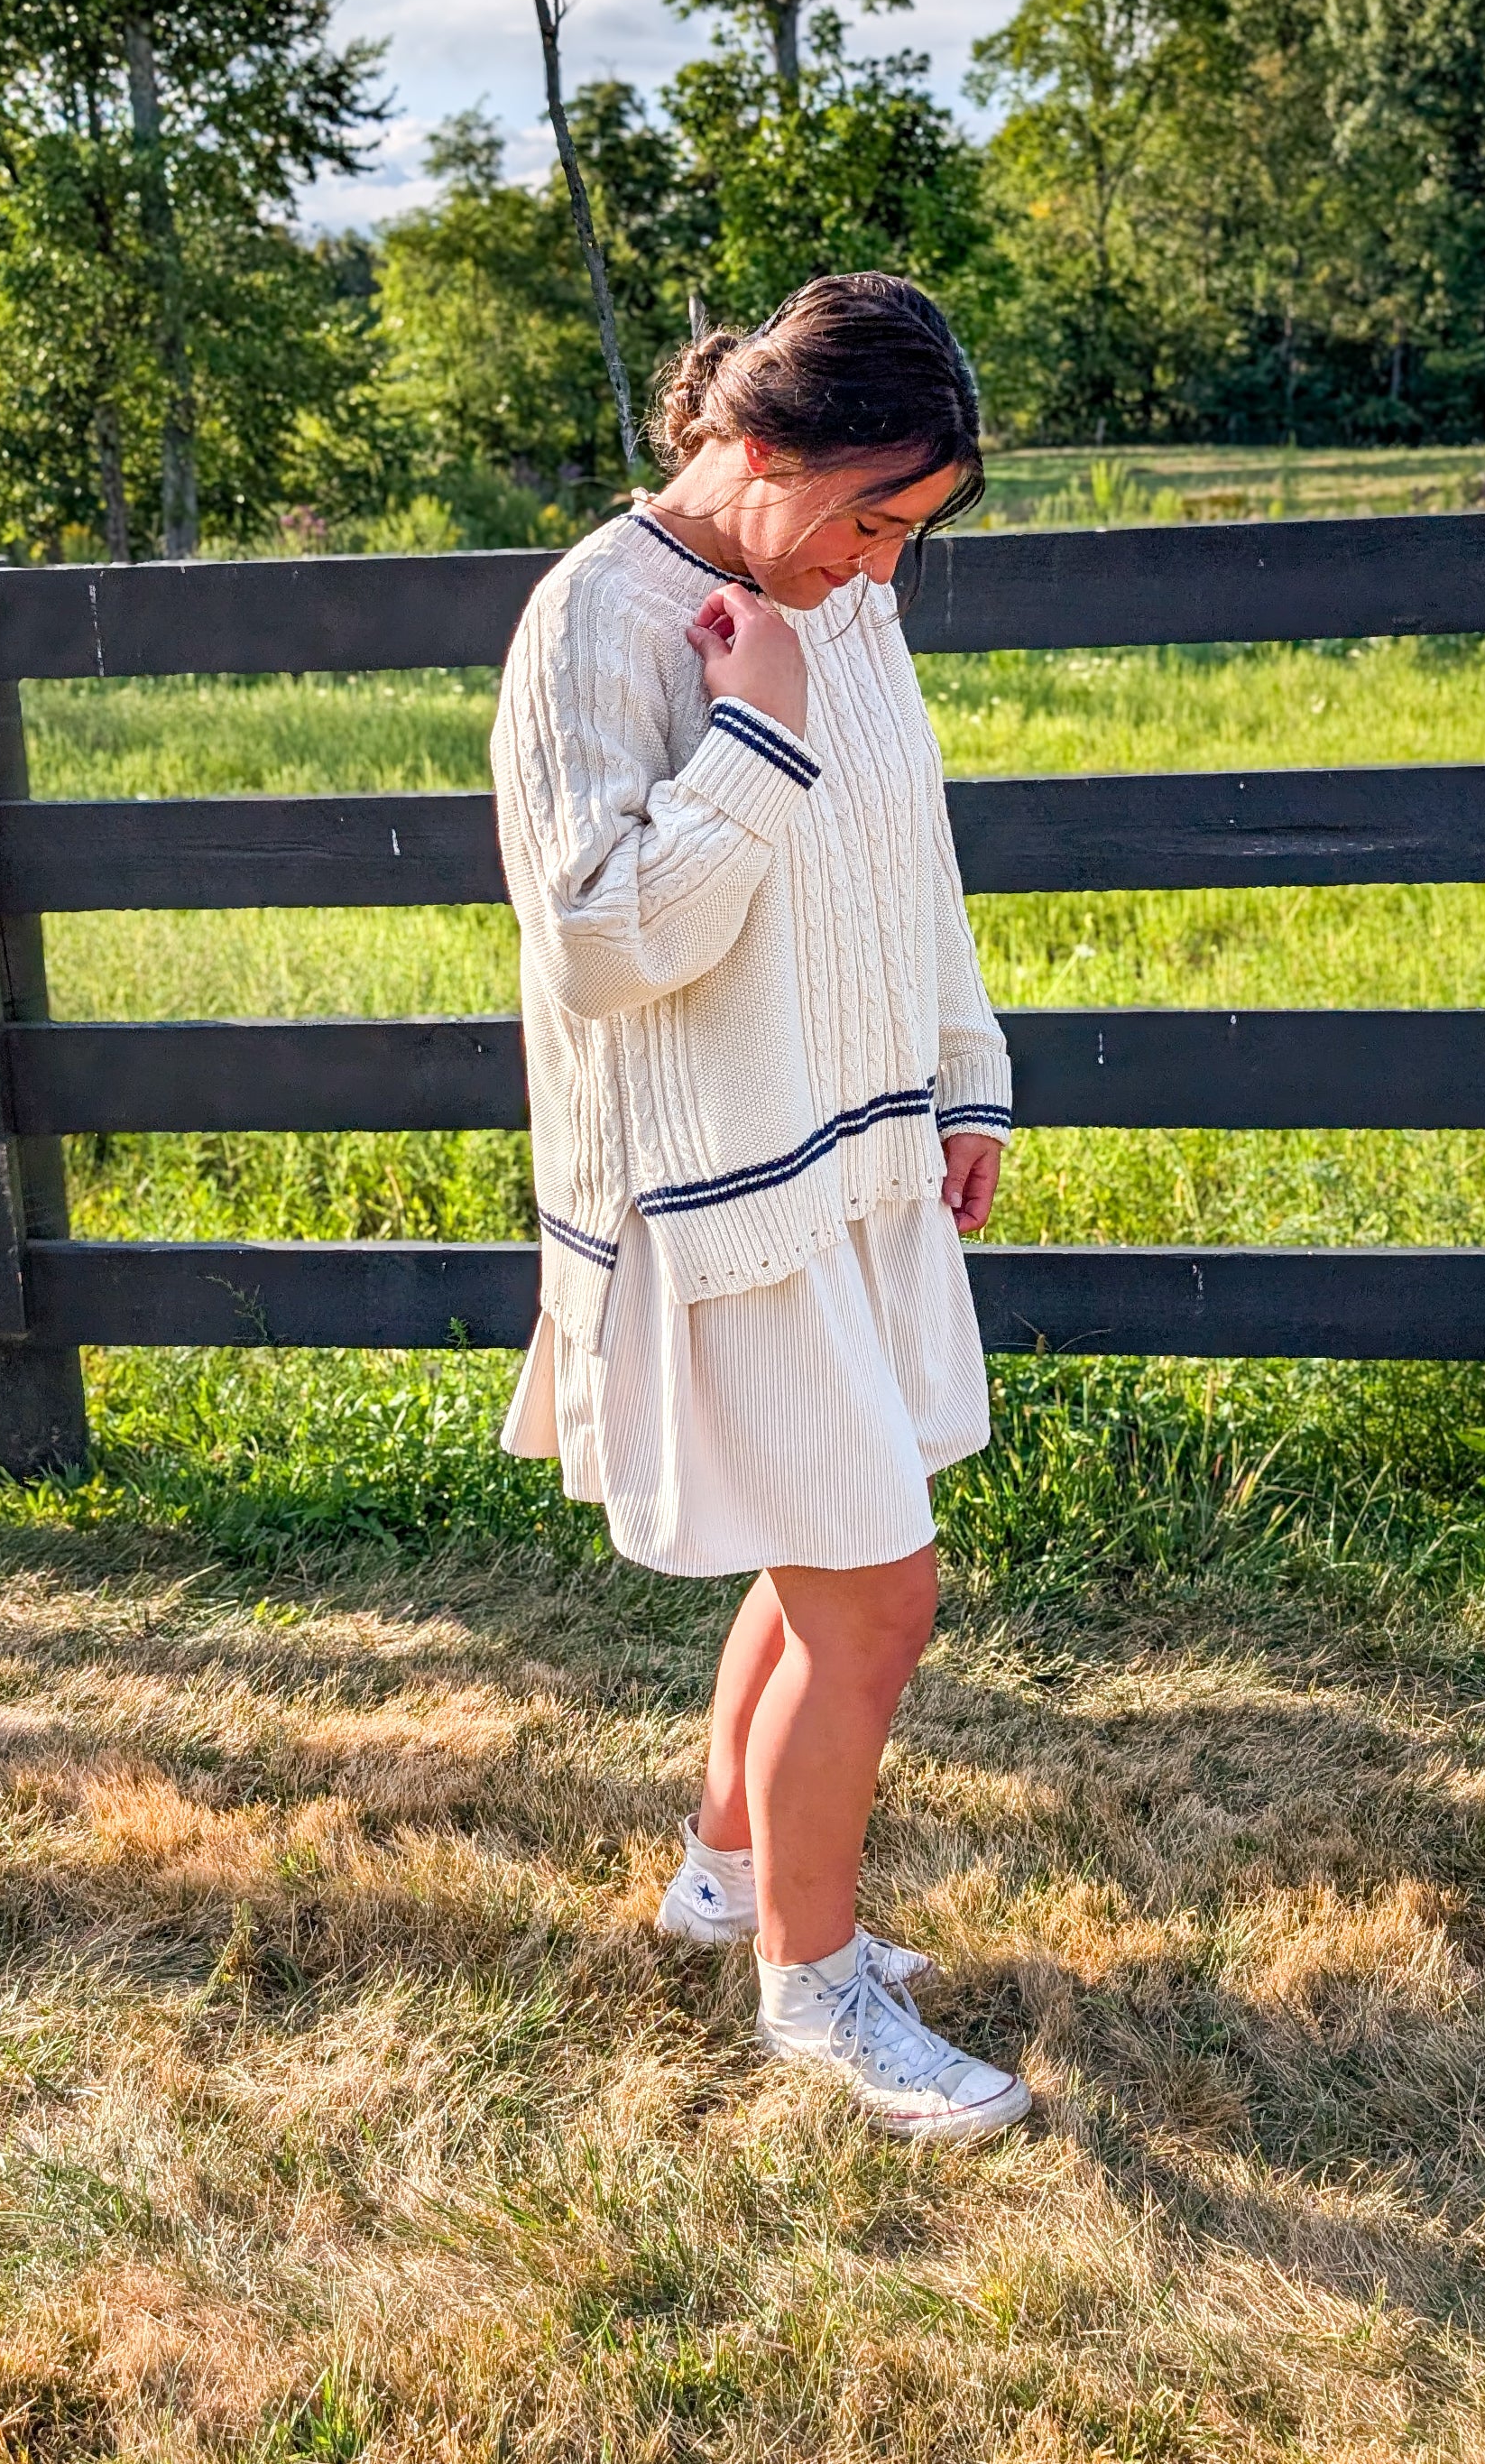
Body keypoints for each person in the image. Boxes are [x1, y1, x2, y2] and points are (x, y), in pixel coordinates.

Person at [491, 271, 1029, 2147]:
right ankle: (812, 1993)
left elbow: (908, 839)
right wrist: (756, 733)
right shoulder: (598, 621)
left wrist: (964, 1073)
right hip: (719, 1188)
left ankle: (729, 1872)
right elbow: (605, 944)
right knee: (877, 1597)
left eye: (910, 531)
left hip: (853, 1153)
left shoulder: (835, 599)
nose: (882, 564)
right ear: (753, 444)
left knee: (829, 1546)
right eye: (868, 514)